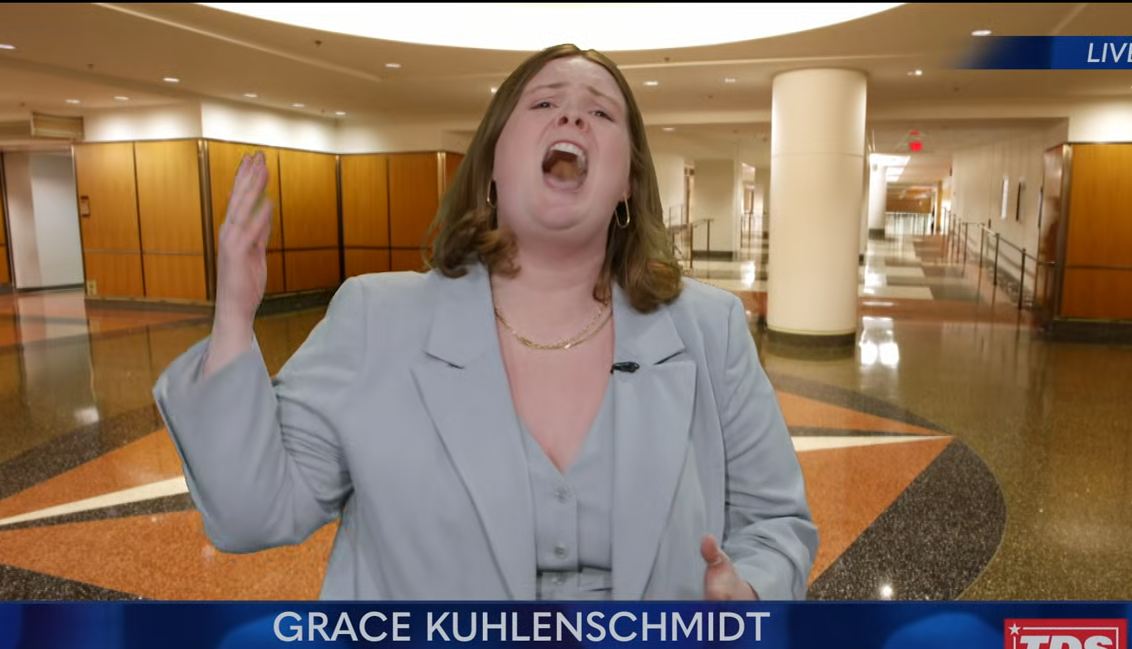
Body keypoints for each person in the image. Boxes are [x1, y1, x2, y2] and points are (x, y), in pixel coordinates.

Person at [153, 43, 818, 602]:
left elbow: (777, 522)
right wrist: (234, 316)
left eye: (601, 111)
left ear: (628, 186)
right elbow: (251, 514)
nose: (572, 116)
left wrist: (752, 590)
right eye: (544, 104)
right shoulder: (374, 319)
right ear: (493, 163)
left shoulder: (710, 329)